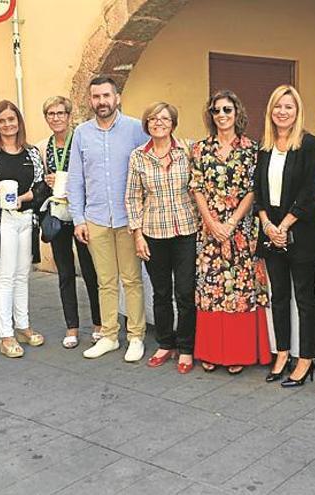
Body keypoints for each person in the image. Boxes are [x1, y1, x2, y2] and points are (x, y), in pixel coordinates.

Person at [69, 76, 150, 362]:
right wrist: (78, 219)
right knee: (105, 281)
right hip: (96, 219)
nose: (101, 102)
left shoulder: (135, 130)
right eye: (96, 97)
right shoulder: (81, 133)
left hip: (129, 220)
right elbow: (75, 180)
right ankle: (109, 336)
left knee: (132, 280)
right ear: (90, 101)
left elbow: (148, 170)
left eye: (106, 96)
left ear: (117, 97)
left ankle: (136, 336)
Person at [190, 89, 270, 374]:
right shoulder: (200, 149)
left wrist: (231, 223)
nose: (221, 115)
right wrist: (212, 223)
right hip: (209, 231)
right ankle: (212, 351)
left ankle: (238, 352)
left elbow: (253, 189)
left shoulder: (252, 148)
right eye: (216, 110)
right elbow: (196, 187)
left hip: (242, 231)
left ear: (237, 113)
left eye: (227, 110)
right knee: (211, 289)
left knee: (240, 290)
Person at [254, 85, 315, 387]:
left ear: (297, 112)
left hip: (301, 232)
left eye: (289, 107)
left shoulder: (308, 144)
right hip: (271, 232)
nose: (282, 112)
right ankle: (282, 352)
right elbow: (258, 192)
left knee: (305, 299)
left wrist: (285, 226)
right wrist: (268, 225)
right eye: (278, 106)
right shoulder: (265, 147)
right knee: (279, 297)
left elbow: (309, 192)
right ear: (271, 111)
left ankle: (306, 358)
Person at [125, 102, 198, 374]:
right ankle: (166, 343)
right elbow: (132, 197)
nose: (158, 122)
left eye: (164, 118)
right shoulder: (138, 157)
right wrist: (137, 235)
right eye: (153, 118)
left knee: (186, 292)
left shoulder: (188, 150)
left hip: (186, 232)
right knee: (161, 292)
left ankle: (187, 347)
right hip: (153, 232)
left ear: (173, 123)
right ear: (147, 124)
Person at [0, 100, 49, 358]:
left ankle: (23, 326)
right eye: (2, 120)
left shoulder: (31, 153)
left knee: (22, 275)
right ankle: (6, 335)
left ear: (19, 121)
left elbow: (40, 187)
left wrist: (23, 198)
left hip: (27, 219)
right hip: (2, 220)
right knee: (5, 277)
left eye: (11, 119)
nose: (8, 124)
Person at [36, 96, 102, 349]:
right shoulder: (43, 147)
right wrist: (47, 182)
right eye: (50, 114)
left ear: (69, 115)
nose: (56, 118)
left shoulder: (82, 139)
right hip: (57, 215)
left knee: (90, 270)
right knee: (64, 272)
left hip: (82, 215)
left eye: (60, 113)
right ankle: (72, 326)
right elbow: (38, 180)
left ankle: (98, 323)